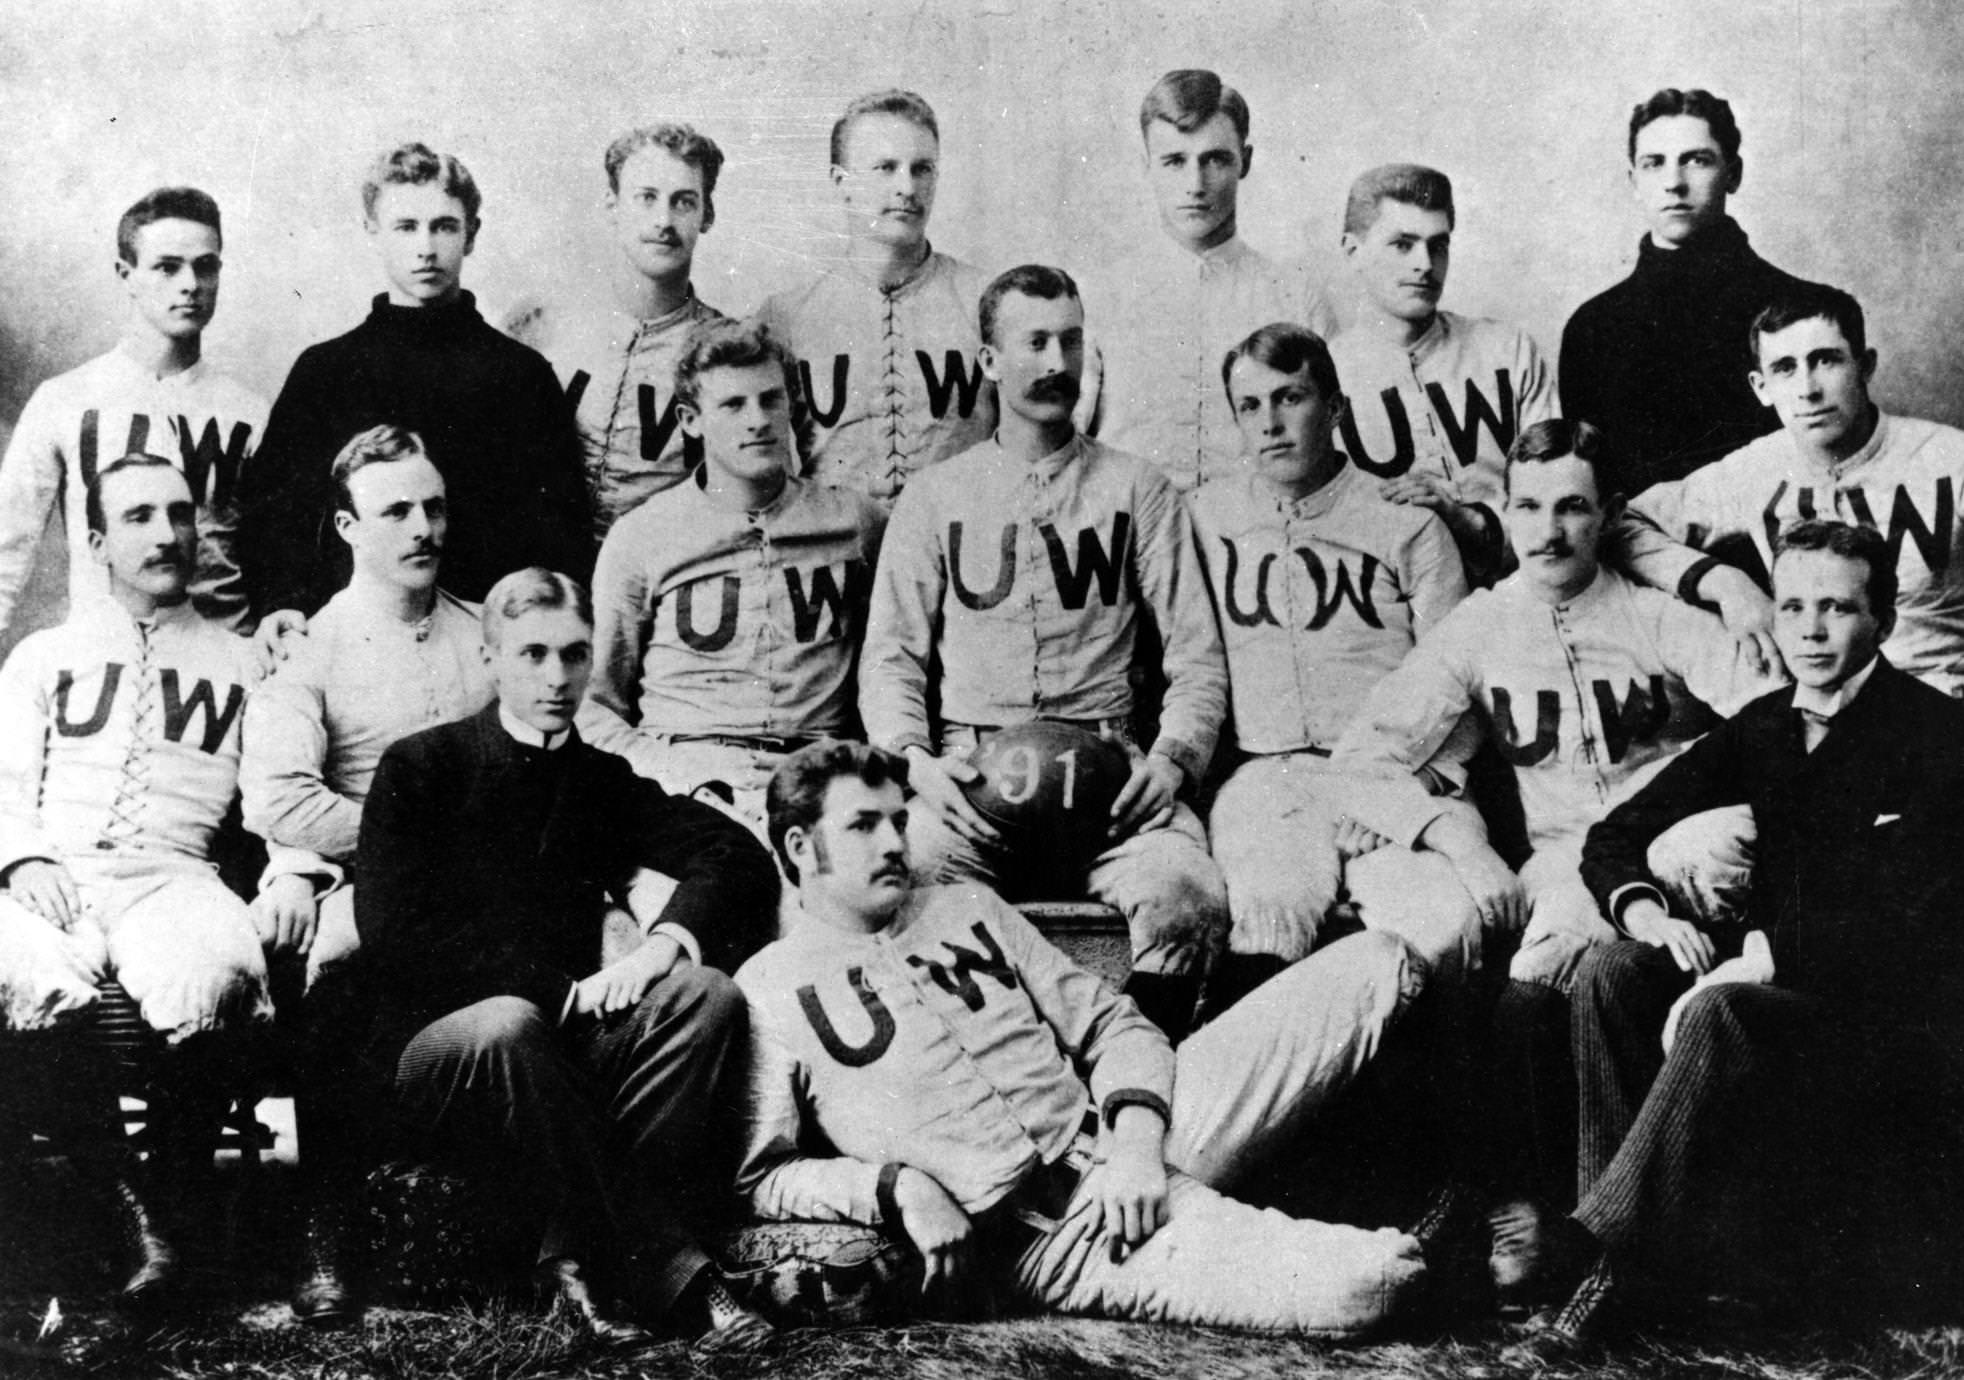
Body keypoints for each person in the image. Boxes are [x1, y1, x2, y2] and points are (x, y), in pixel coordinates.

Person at [735, 740, 1428, 1336]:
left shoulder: (963, 905)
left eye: (897, 821)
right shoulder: (767, 988)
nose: (894, 843)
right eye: (863, 826)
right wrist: (896, 1188)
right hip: (1059, 1237)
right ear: (802, 846)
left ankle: (1420, 1188)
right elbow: (762, 1178)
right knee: (1376, 1282)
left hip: (1133, 1138)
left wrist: (1133, 1149)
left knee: (1379, 961)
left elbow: (1111, 1024)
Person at [1330, 419, 1779, 1286]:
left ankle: (1553, 1223)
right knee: (1508, 977)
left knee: (1541, 983)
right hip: (1562, 858)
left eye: (1571, 507)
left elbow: (1775, 723)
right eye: (1527, 507)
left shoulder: (1655, 616)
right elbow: (1362, 760)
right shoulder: (1482, 623)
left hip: (1674, 848)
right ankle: (1522, 1209)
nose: (1547, 530)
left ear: (1607, 514)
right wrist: (1455, 839)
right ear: (1504, 511)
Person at [1517, 521, 1964, 1350]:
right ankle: (1638, 1271)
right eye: (1793, 606)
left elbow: (1920, 927)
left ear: (1886, 618)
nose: (1810, 629)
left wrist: (1753, 961)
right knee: (1612, 970)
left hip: (1891, 1021)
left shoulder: (1938, 735)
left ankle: (1595, 1254)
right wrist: (1649, 913)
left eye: (1837, 607)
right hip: (1775, 989)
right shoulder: (1762, 726)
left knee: (1722, 1013)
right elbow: (1612, 836)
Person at [324, 568, 778, 1346]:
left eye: (573, 655)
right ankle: (677, 1275)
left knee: (705, 996)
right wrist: (559, 992)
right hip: (441, 1055)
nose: (557, 678)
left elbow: (732, 853)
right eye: (532, 655)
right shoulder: (422, 767)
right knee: (508, 1023)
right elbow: (397, 933)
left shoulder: (600, 780)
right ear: (491, 658)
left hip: (560, 1056)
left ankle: (570, 1253)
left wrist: (657, 952)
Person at [859, 264, 1229, 1042]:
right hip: (970, 773)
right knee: (903, 883)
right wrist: (914, 762)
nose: (1056, 363)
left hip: (1110, 772)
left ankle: (1135, 1069)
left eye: (1069, 340)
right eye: (1033, 343)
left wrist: (1170, 762)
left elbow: (1195, 655)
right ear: (990, 361)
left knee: (1188, 894)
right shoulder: (935, 495)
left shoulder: (1138, 489)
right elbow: (891, 656)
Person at [0, 456, 330, 1240]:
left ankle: (174, 1207)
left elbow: (278, 792)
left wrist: (290, 875)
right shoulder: (45, 656)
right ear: (96, 541)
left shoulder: (244, 659)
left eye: (181, 514)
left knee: (219, 971)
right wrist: (21, 858)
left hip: (174, 876)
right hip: (58, 870)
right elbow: (3, 780)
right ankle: (127, 1209)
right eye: (140, 517)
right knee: (19, 969)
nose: (167, 534)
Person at [1190, 322, 1477, 1009]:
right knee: (1269, 917)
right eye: (1250, 407)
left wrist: (1416, 785)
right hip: (1271, 776)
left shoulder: (1404, 521)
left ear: (1337, 407)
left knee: (1447, 928)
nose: (1271, 424)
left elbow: (1466, 682)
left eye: (1291, 398)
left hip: (1395, 774)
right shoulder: (1205, 518)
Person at [240, 142, 588, 623]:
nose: (426, 247)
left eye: (443, 226)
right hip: (354, 641)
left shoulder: (519, 375)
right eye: (406, 227)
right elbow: (275, 518)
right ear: (373, 232)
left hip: (487, 640)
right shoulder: (326, 372)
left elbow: (559, 533)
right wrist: (284, 605)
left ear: (470, 234)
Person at [581, 321, 884, 837]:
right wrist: (677, 768)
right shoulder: (641, 537)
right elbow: (593, 710)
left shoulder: (855, 523)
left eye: (771, 400)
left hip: (816, 783)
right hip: (684, 781)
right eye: (733, 406)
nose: (758, 421)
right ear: (691, 420)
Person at [1618, 283, 1964, 695]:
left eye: (1826, 360)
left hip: (1938, 717)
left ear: (1865, 366)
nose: (1808, 389)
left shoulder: (1948, 458)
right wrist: (1726, 584)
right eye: (1784, 367)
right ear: (1760, 387)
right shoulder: (1753, 469)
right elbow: (1623, 524)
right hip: (1817, 724)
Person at [240, 426, 493, 986]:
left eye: (434, 509)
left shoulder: (489, 633)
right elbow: (277, 800)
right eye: (397, 513)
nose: (423, 530)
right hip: (377, 885)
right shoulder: (305, 648)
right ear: (348, 528)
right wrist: (425, 843)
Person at [0, 187, 267, 643]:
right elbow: (7, 550)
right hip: (103, 660)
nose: (190, 285)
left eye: (205, 266)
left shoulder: (248, 412)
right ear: (127, 274)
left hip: (225, 667)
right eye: (167, 267)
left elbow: (277, 561)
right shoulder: (64, 400)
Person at [1077, 69, 1337, 492]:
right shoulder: (1099, 297)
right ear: (1146, 167)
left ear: (1245, 162)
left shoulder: (1296, 296)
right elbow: (1064, 444)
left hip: (1259, 543)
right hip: (1129, 543)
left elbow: (1334, 445)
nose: (1195, 185)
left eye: (1215, 159)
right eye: (1174, 161)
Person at [1560, 88, 1811, 494]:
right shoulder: (1592, 328)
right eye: (1654, 164)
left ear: (1733, 173)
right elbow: (1591, 493)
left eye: (1697, 160)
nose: (1674, 183)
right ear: (1634, 180)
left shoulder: (1805, 311)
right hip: (1634, 551)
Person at [756, 90, 994, 505]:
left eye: (922, 169)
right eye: (886, 168)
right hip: (835, 555)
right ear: (841, 182)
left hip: (963, 550)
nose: (907, 187)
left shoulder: (987, 301)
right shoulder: (785, 317)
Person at [1329, 165, 1558, 582]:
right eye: (1402, 244)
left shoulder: (1508, 351)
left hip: (1520, 593)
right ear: (1352, 251)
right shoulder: (1324, 377)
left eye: (1438, 246)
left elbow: (1556, 495)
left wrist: (1467, 522)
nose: (1424, 264)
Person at [506, 123, 730, 538]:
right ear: (612, 206)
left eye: (683, 202)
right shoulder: (541, 323)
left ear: (707, 215)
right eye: (646, 198)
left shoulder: (724, 347)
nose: (663, 220)